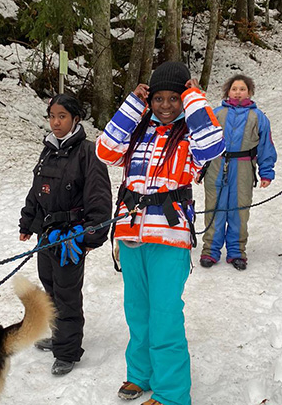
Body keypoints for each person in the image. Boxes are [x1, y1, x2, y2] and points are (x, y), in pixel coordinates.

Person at [96, 61, 226, 405]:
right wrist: (132, 105)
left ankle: (171, 393)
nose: (165, 105)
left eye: (174, 98)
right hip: (131, 233)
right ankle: (140, 374)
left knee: (165, 315)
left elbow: (215, 144)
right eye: (158, 99)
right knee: (137, 311)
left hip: (169, 237)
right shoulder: (138, 132)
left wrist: (194, 95)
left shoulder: (191, 138)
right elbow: (104, 150)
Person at [19, 94, 112, 375]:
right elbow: (37, 190)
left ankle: (68, 351)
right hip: (46, 235)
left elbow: (100, 199)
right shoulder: (48, 150)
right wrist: (27, 223)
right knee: (50, 288)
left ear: (75, 119)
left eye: (62, 116)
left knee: (67, 293)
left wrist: (89, 236)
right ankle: (59, 335)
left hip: (72, 237)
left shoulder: (88, 152)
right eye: (52, 116)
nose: (56, 122)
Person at [199, 75, 277, 271]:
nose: (238, 92)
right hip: (217, 165)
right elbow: (203, 142)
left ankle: (236, 251)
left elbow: (266, 146)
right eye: (234, 89)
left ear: (249, 92)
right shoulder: (216, 113)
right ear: (228, 91)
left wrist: (266, 172)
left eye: (242, 89)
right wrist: (199, 168)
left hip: (243, 168)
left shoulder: (258, 117)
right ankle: (210, 250)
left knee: (239, 210)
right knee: (214, 208)